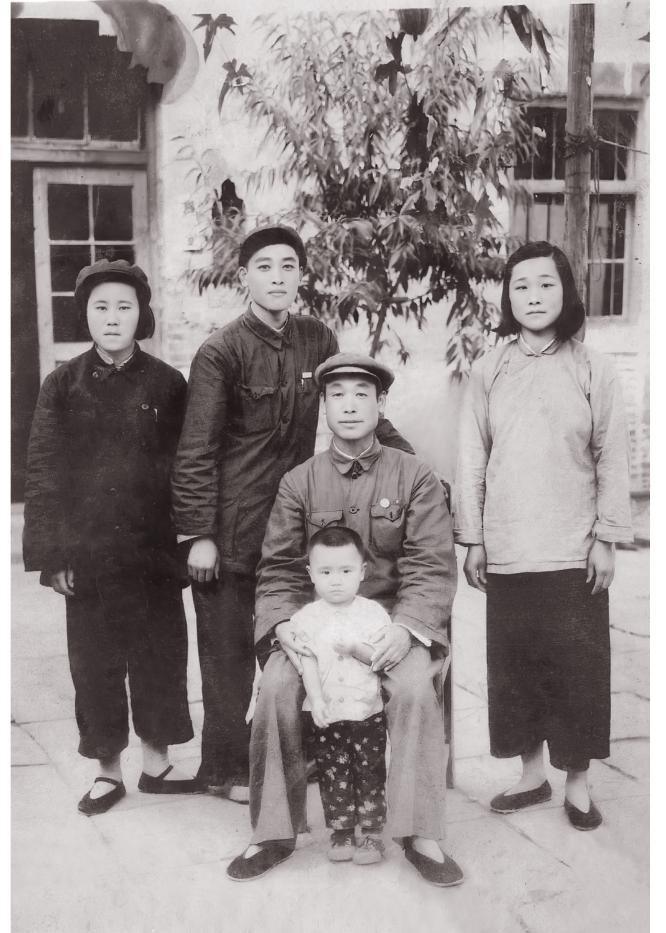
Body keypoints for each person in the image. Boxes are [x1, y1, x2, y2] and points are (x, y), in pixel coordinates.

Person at [171, 225, 412, 801]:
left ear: (302, 275)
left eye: (288, 267)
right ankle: (227, 770)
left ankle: (305, 755)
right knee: (228, 656)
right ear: (244, 277)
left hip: (299, 526)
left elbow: (358, 410)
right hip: (232, 529)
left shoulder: (316, 338)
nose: (277, 278)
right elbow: (196, 449)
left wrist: (413, 467)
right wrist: (198, 533)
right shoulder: (221, 351)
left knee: (304, 645)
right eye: (264, 267)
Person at [226, 352, 463, 887]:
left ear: (381, 403)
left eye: (362, 394)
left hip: (392, 625)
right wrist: (282, 625)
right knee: (276, 687)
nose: (350, 405)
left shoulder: (415, 476)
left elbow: (431, 565)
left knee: (414, 690)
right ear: (324, 405)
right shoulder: (299, 482)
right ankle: (273, 832)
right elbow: (279, 567)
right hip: (317, 626)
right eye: (337, 395)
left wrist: (406, 629)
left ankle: (420, 833)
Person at [454, 241, 633, 831]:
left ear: (566, 291)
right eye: (521, 286)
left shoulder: (593, 368)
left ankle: (578, 784)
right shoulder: (490, 368)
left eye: (546, 284)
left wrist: (606, 537)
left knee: (578, 670)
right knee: (515, 668)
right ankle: (531, 775)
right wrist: (474, 538)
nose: (533, 296)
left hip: (573, 548)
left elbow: (611, 455)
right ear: (507, 296)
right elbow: (472, 456)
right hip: (508, 546)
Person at [23, 259, 199, 815]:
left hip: (152, 549)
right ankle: (106, 771)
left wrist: (189, 539)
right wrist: (53, 555)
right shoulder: (62, 384)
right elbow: (44, 470)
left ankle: (157, 763)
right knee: (94, 663)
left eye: (125, 306)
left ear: (141, 313)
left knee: (159, 654)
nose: (114, 317)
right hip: (89, 552)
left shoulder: (168, 383)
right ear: (86, 316)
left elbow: (187, 465)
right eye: (101, 307)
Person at [293, 526, 392, 866]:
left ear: (362, 572)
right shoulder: (307, 618)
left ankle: (373, 833)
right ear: (311, 574)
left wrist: (355, 649)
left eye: (346, 571)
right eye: (326, 572)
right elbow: (307, 662)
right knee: (332, 770)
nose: (336, 581)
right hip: (329, 711)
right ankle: (342, 831)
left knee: (369, 770)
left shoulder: (372, 613)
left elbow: (380, 657)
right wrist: (316, 700)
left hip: (366, 710)